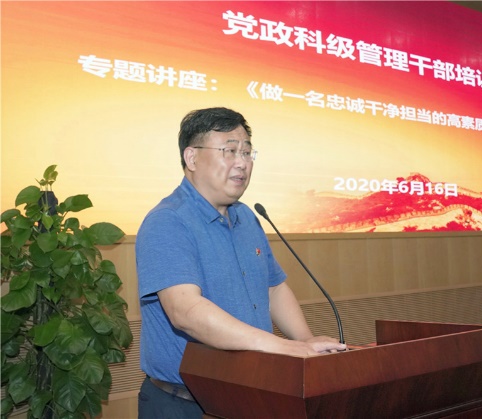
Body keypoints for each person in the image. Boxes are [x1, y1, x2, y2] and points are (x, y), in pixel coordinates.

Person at [135, 107, 346, 418]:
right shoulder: (168, 221)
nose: (242, 162)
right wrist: (281, 346)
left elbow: (274, 289)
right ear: (192, 158)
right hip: (185, 404)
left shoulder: (247, 217)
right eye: (230, 150)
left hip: (250, 393)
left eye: (247, 152)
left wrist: (304, 342)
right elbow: (185, 312)